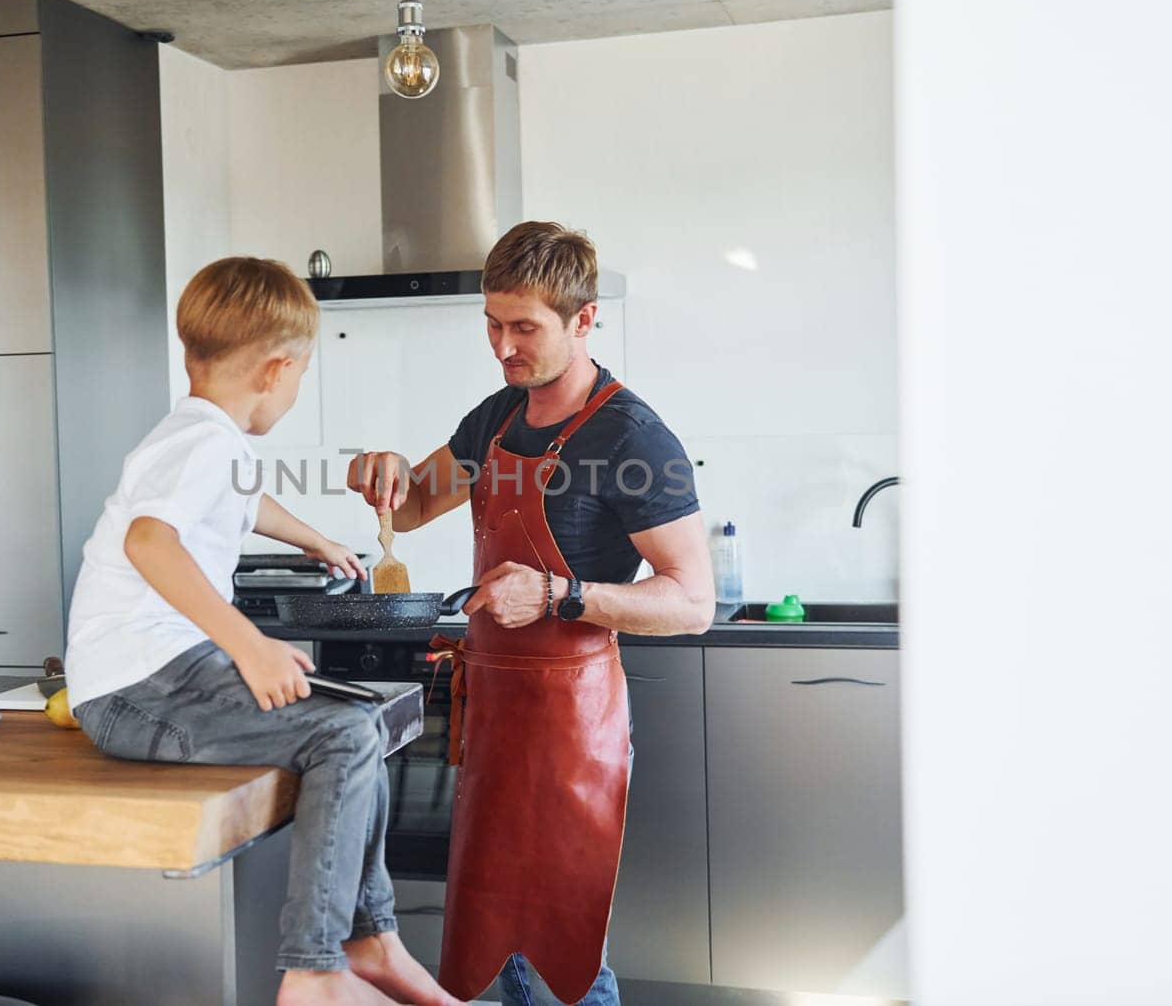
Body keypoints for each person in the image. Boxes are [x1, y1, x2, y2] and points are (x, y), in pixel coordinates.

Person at [65, 257, 463, 1006]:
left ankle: (371, 937)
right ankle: (315, 970)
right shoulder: (205, 442)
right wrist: (247, 643)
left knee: (359, 720)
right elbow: (149, 542)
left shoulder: (202, 435)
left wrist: (316, 540)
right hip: (139, 689)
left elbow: (246, 504)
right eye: (301, 374)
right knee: (344, 735)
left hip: (150, 680)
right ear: (279, 370)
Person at [348, 222, 715, 1005]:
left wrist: (558, 595)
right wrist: (380, 471)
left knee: (564, 950)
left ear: (583, 321)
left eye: (523, 328)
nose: (501, 345)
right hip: (495, 716)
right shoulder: (496, 418)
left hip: (572, 727)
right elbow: (413, 507)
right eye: (491, 322)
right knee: (497, 946)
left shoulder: (634, 436)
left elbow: (693, 600)